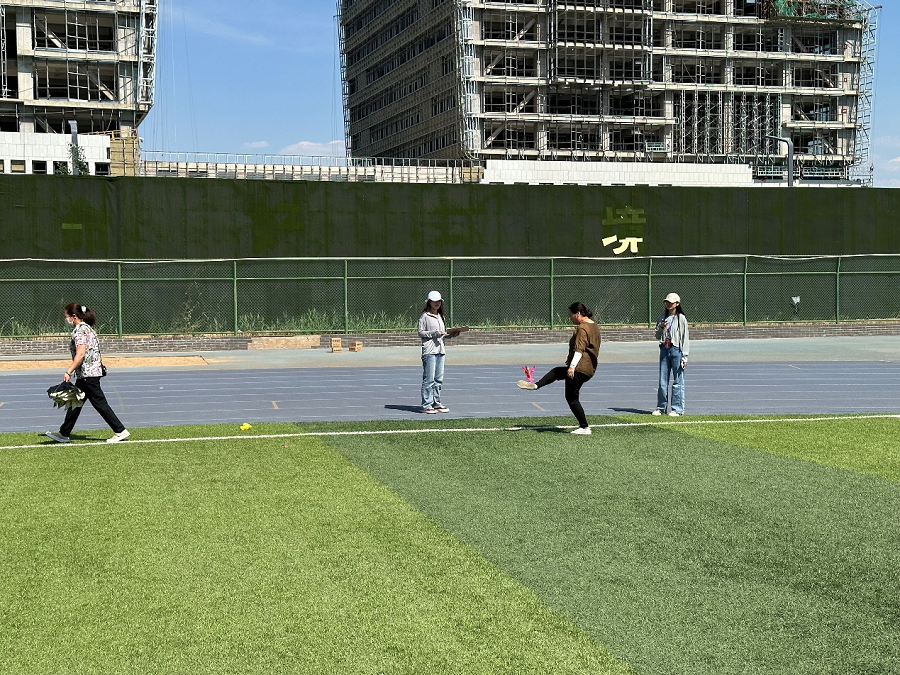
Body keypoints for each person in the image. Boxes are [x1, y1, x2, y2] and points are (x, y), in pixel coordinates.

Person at [45, 303, 130, 443]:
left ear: (73, 316)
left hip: (88, 374)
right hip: (86, 374)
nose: (65, 319)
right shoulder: (87, 328)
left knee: (100, 403)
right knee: (76, 402)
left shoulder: (80, 331)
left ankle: (120, 430)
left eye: (66, 316)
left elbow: (80, 353)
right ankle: (64, 433)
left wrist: (68, 371)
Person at [517, 302, 601, 435]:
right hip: (589, 368)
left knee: (572, 398)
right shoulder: (594, 326)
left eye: (571, 315)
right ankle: (536, 385)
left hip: (580, 368)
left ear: (578, 314)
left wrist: (572, 366)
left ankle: (584, 427)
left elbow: (580, 349)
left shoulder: (582, 328)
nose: (570, 318)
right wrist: (570, 359)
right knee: (557, 372)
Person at [417, 291, 468, 414]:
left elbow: (442, 335)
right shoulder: (425, 316)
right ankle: (427, 404)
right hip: (429, 351)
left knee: (438, 379)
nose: (437, 303)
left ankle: (436, 403)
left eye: (439, 301)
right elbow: (420, 332)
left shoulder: (441, 316)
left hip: (441, 350)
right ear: (429, 302)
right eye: (434, 301)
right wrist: (434, 333)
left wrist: (452, 334)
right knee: (429, 379)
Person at [653, 292, 690, 417]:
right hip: (664, 349)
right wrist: (661, 327)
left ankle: (677, 409)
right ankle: (661, 407)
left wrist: (685, 356)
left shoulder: (681, 318)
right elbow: (657, 335)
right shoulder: (662, 317)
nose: (668, 304)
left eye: (671, 302)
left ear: (677, 304)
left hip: (676, 350)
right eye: (667, 302)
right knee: (662, 381)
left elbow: (685, 338)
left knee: (678, 381)